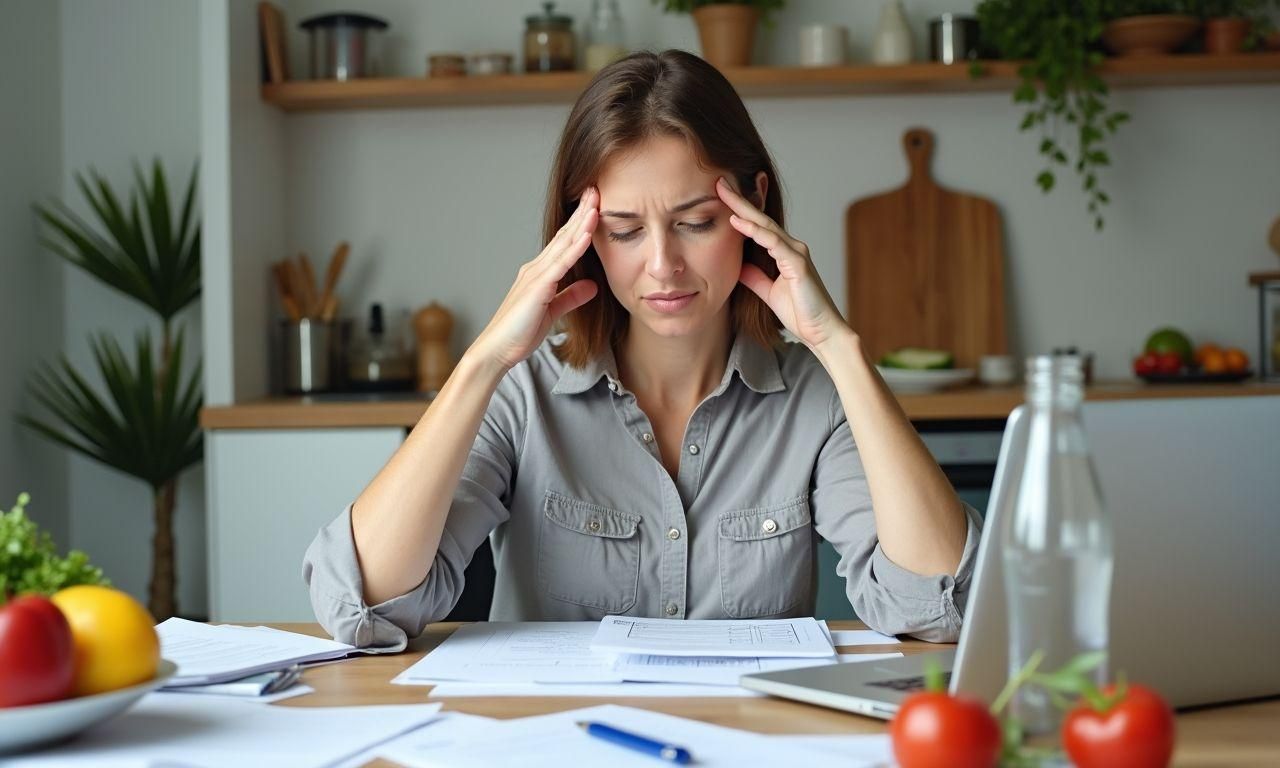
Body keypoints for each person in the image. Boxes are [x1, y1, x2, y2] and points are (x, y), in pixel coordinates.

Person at [303, 50, 979, 653]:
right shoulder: (522, 395)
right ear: (581, 234)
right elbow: (364, 607)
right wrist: (481, 363)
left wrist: (840, 347)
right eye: (624, 231)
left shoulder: (815, 400)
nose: (663, 266)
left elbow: (937, 606)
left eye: (695, 223)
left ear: (755, 205)